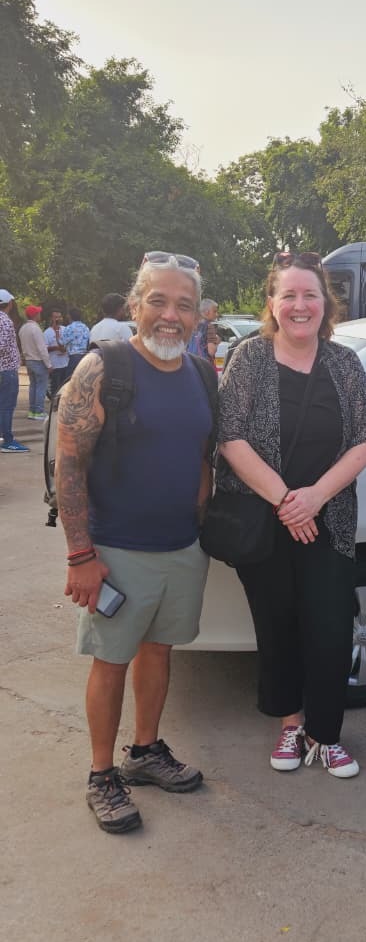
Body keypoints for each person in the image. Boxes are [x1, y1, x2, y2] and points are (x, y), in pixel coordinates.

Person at [55, 253, 215, 834]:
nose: (171, 315)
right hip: (116, 551)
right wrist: (81, 555)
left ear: (197, 315)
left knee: (159, 651)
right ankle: (102, 774)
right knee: (111, 662)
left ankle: (145, 752)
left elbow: (203, 455)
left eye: (184, 305)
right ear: (135, 306)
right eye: (158, 301)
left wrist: (202, 526)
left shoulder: (201, 373)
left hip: (182, 547)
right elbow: (69, 464)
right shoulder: (104, 368)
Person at [217, 250, 366, 778]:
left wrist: (314, 499)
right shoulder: (249, 358)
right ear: (272, 303)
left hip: (329, 524)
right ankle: (291, 724)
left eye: (310, 294)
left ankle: (325, 735)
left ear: (325, 304)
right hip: (265, 524)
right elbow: (230, 437)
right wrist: (288, 501)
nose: (300, 305)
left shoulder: (344, 363)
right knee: (277, 626)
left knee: (331, 630)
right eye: (288, 295)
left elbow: (365, 439)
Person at [0, 289, 30, 453]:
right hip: (7, 370)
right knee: (7, 405)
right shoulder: (5, 321)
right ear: (9, 303)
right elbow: (2, 345)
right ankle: (7, 441)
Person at [18, 304, 52, 419]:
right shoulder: (36, 329)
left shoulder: (23, 328)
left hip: (29, 360)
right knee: (41, 387)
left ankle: (32, 411)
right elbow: (42, 349)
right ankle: (39, 411)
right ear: (35, 315)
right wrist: (48, 364)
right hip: (38, 361)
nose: (40, 314)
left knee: (33, 386)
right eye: (38, 312)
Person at [44, 307, 70, 398]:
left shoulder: (66, 329)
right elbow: (44, 349)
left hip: (66, 363)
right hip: (55, 365)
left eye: (60, 317)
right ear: (51, 318)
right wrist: (55, 348)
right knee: (55, 387)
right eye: (56, 317)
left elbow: (70, 342)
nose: (58, 319)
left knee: (65, 387)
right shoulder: (47, 333)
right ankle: (54, 403)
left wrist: (66, 348)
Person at [187, 297, 220, 365]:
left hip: (190, 362)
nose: (217, 314)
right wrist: (217, 343)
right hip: (203, 365)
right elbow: (211, 351)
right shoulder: (209, 326)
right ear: (207, 312)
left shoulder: (190, 325)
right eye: (214, 311)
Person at [63, 306, 91, 375]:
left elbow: (63, 343)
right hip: (84, 358)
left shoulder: (68, 328)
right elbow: (89, 342)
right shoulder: (86, 328)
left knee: (70, 379)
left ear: (70, 316)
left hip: (73, 358)